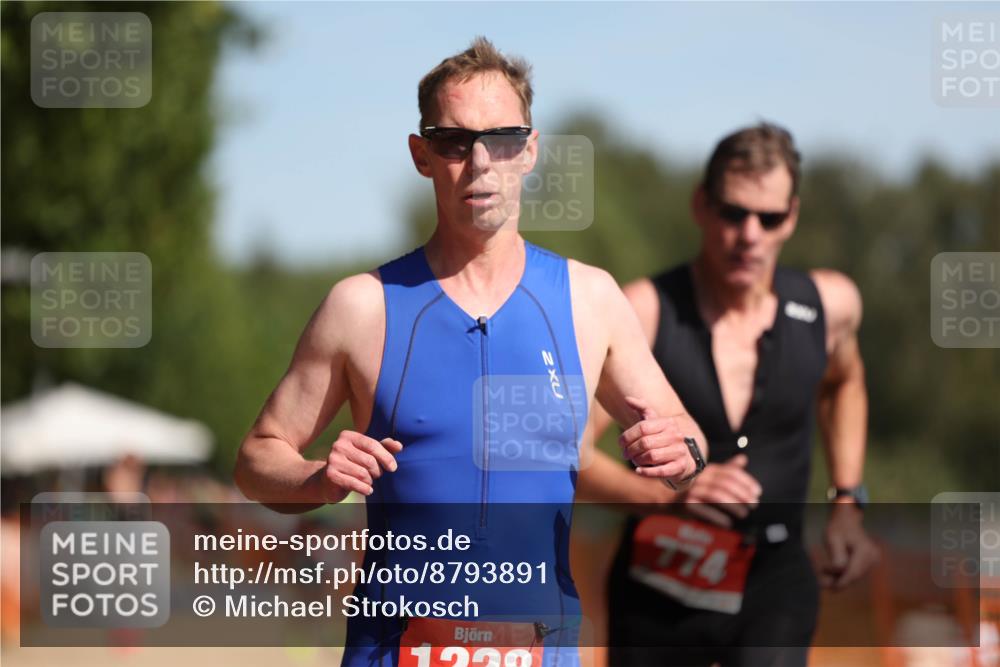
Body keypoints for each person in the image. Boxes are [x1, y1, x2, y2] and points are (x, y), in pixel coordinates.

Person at [233, 37, 708, 667]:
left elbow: (687, 439)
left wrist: (684, 454)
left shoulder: (590, 299)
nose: (480, 161)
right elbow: (256, 459)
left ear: (530, 150)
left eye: (502, 138)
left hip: (540, 645)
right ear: (421, 155)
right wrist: (317, 478)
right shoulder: (362, 306)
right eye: (454, 141)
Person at [577, 123, 880, 666]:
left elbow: (846, 384)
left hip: (774, 580)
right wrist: (671, 495)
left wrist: (847, 503)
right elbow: (568, 457)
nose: (750, 235)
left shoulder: (830, 306)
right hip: (658, 583)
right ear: (701, 205)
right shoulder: (643, 311)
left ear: (792, 216)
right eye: (733, 213)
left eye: (769, 218)